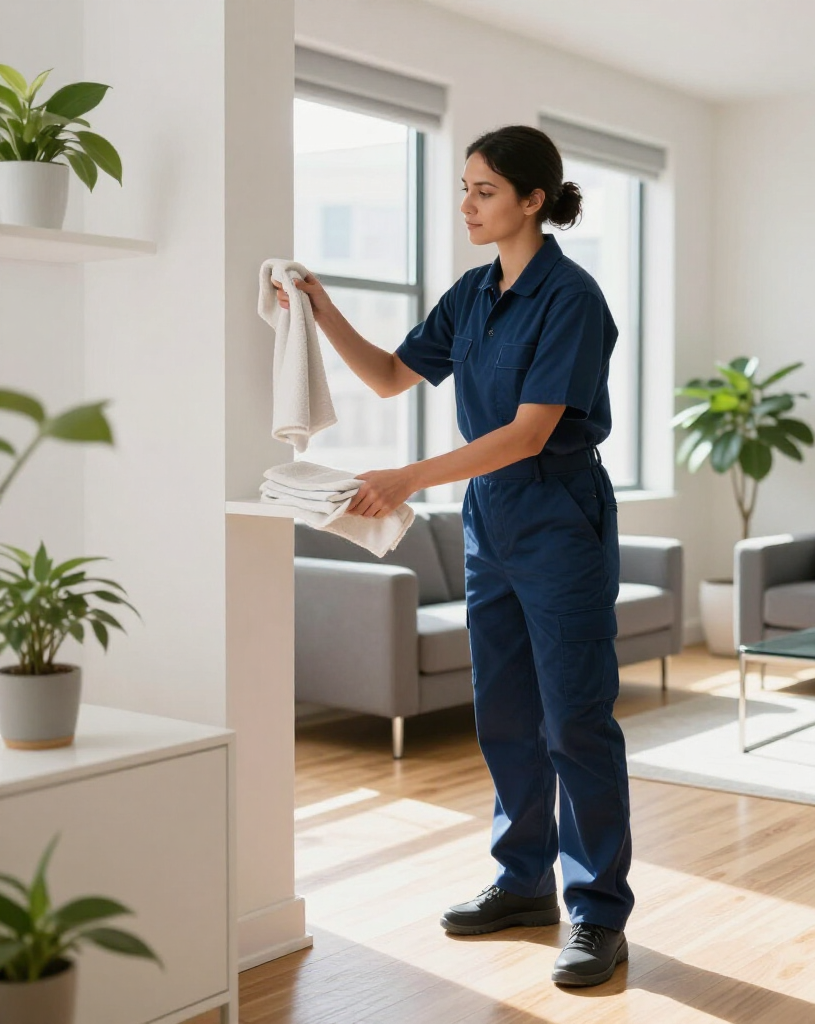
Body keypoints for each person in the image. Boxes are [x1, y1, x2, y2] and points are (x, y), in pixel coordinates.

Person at [274, 124, 633, 988]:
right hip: (489, 517)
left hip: (557, 510)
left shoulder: (572, 299)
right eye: (464, 188)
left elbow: (530, 432)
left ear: (533, 199)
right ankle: (522, 887)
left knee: (574, 718)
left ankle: (596, 915)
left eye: (483, 191)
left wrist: (405, 479)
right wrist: (321, 312)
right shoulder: (472, 295)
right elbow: (393, 376)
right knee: (505, 713)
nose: (466, 205)